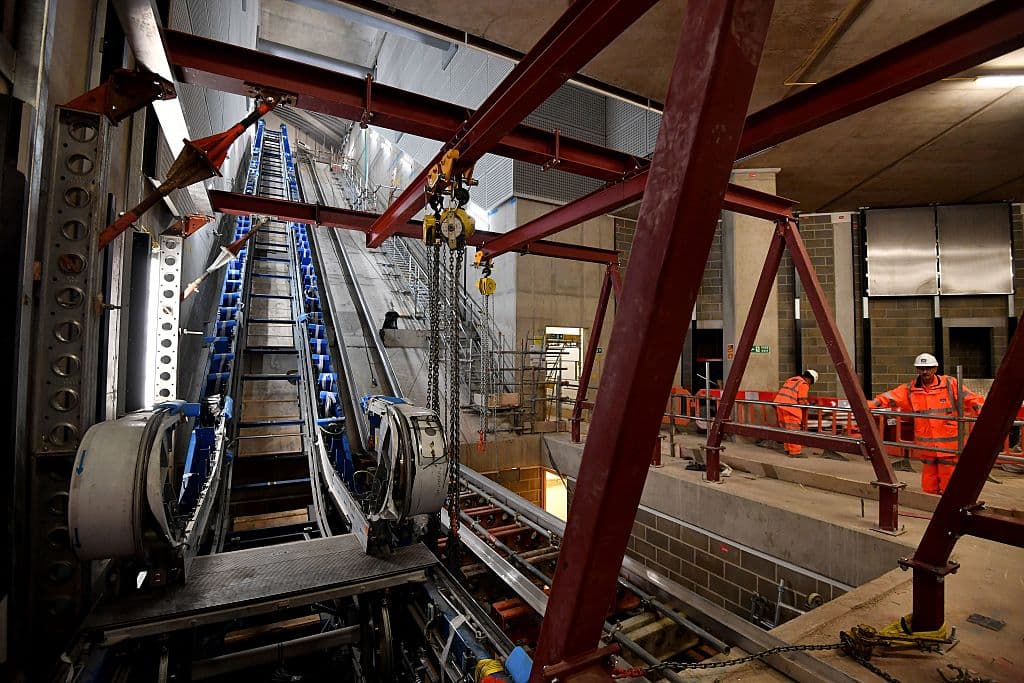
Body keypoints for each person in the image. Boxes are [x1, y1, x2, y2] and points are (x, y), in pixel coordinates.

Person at [868, 352, 984, 494]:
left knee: (949, 475)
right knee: (929, 477)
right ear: (917, 369)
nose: (925, 371)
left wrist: (982, 412)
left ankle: (948, 501)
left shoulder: (949, 384)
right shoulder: (911, 389)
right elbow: (890, 397)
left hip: (948, 444)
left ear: (935, 368)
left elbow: (971, 398)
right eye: (922, 368)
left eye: (928, 368)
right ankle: (930, 500)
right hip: (927, 445)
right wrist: (870, 405)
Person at [773, 369, 818, 457]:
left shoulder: (792, 380)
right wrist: (809, 405)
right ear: (810, 379)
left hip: (780, 406)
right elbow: (802, 401)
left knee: (786, 430)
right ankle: (795, 452)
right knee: (794, 430)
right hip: (791, 409)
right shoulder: (803, 384)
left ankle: (788, 449)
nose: (810, 384)